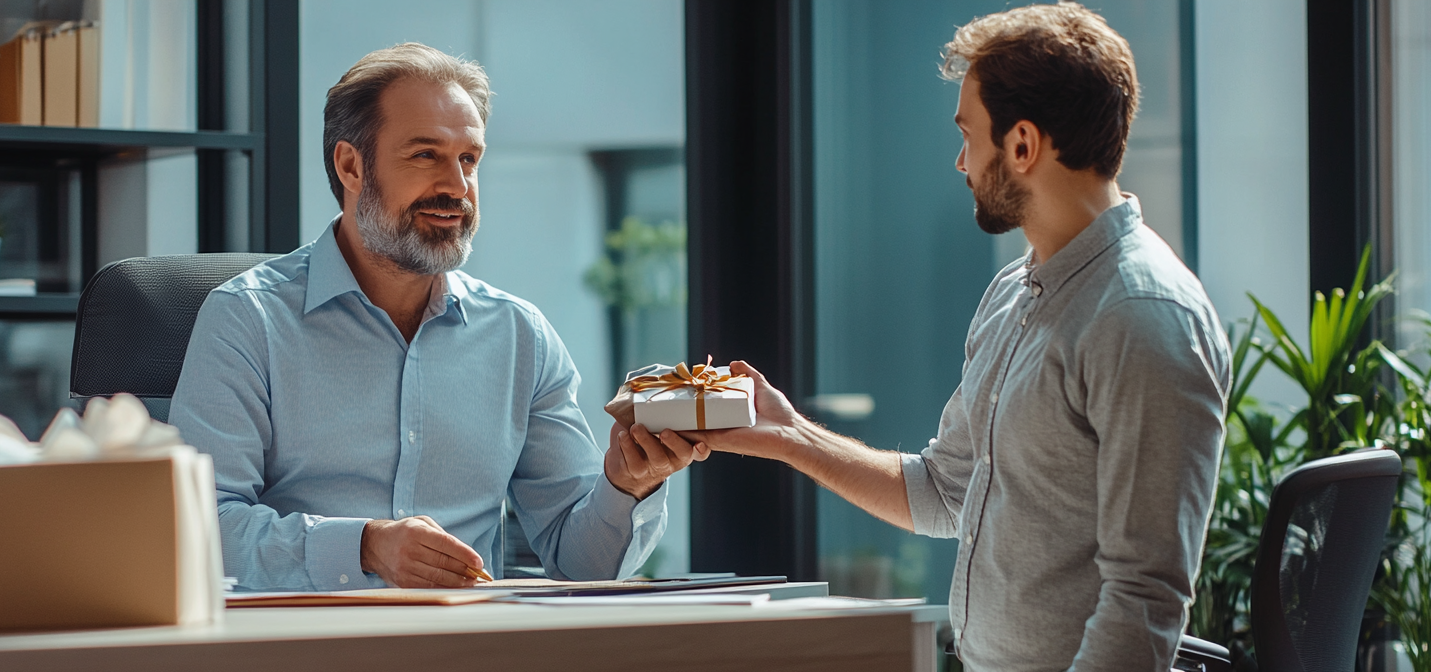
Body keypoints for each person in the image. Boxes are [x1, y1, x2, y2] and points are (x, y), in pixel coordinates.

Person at [623, 4, 1229, 670]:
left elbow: (1145, 598)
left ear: (1022, 145)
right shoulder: (1014, 294)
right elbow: (945, 493)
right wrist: (793, 435)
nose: (961, 159)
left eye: (970, 134)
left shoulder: (1141, 315)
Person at [173, 43, 703, 592]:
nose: (457, 187)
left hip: (470, 648)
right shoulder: (247, 319)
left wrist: (626, 485)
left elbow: (582, 567)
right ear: (351, 166)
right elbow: (198, 527)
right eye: (426, 155)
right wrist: (365, 547)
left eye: (469, 159)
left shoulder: (519, 336)